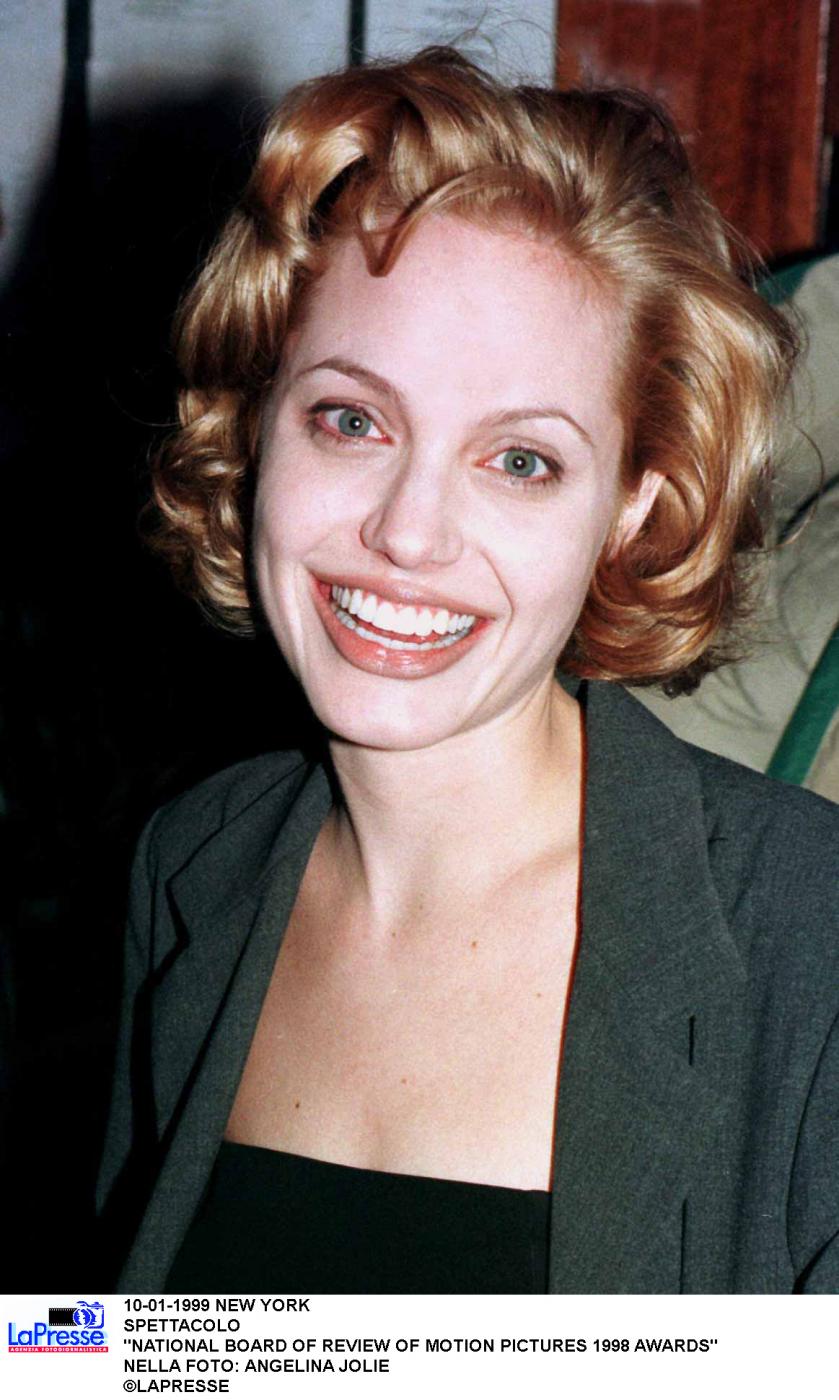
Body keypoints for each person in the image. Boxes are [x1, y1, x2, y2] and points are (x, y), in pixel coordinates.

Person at [97, 47, 839, 1294]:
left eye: (519, 460)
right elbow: (111, 1359)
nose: (407, 532)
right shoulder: (194, 864)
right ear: (258, 421)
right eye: (351, 419)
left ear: (629, 505)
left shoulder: (805, 929)